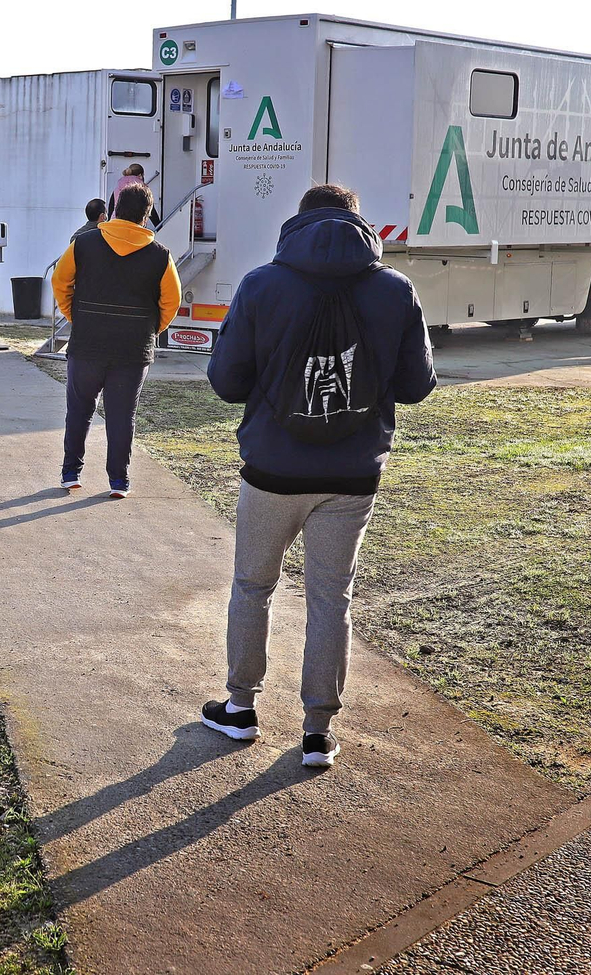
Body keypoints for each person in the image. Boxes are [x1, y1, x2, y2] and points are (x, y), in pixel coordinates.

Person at [201, 183, 436, 768]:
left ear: (298, 224)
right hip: (352, 476)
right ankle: (317, 733)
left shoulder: (261, 284)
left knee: (252, 587)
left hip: (272, 469)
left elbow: (227, 382)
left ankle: (240, 708)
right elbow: (416, 385)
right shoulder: (395, 289)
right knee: (332, 597)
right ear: (360, 224)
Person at [51, 182, 179, 498]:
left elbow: (60, 281)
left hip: (87, 342)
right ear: (146, 217)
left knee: (79, 409)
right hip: (133, 349)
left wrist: (75, 316)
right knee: (122, 416)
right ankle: (118, 482)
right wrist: (151, 329)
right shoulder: (160, 255)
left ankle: (70, 473)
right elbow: (171, 301)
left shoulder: (83, 244)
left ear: (115, 209)